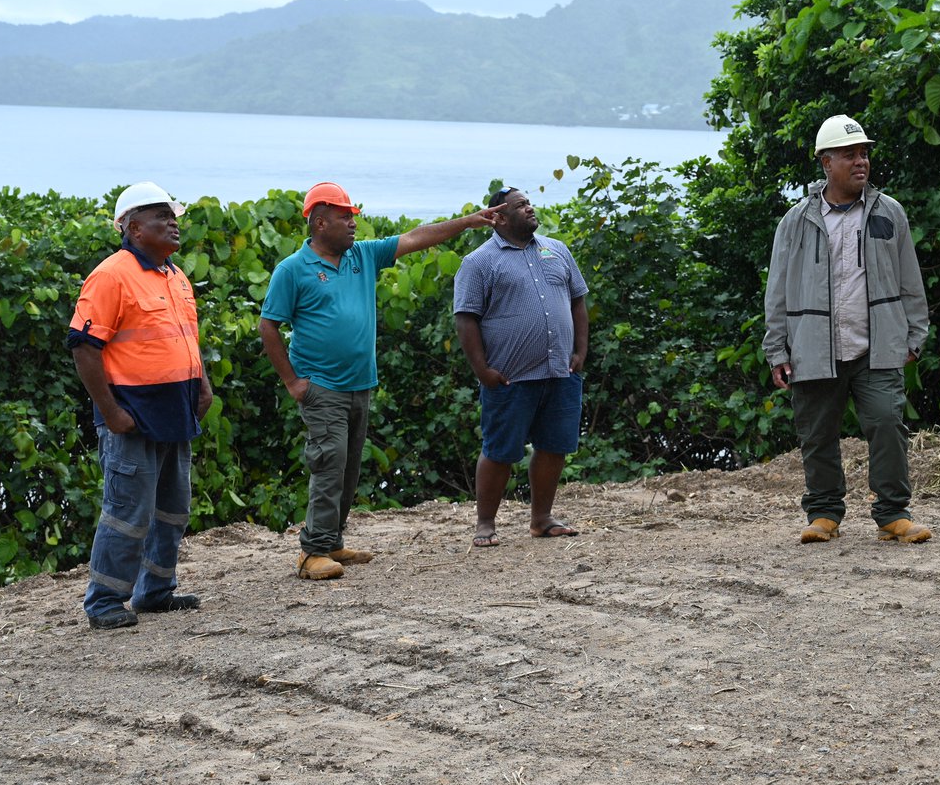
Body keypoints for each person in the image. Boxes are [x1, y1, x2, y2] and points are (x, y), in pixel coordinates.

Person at [260, 182, 503, 580]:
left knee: (348, 467)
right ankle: (312, 554)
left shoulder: (361, 256)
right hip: (321, 386)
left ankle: (331, 541)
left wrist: (469, 221)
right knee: (328, 464)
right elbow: (268, 326)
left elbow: (415, 237)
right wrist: (293, 382)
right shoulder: (293, 269)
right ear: (319, 222)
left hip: (359, 385)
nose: (353, 224)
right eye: (344, 217)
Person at [763, 115, 931, 545]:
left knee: (888, 423)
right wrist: (777, 349)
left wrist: (915, 334)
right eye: (850, 154)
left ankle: (893, 515)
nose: (861, 162)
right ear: (826, 162)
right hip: (814, 348)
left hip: (877, 347)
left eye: (864, 153)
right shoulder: (796, 221)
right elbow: (778, 289)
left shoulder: (889, 212)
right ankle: (823, 514)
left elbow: (910, 279)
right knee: (816, 434)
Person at [67, 181, 213, 630]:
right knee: (128, 512)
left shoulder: (175, 275)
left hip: (176, 409)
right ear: (132, 228)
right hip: (131, 414)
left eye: (173, 215)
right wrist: (111, 412)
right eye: (160, 216)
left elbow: (186, 339)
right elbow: (83, 347)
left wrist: (203, 385)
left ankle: (154, 592)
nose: (173, 223)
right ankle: (106, 602)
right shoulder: (111, 275)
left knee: (173, 508)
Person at [453, 187, 589, 549]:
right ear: (498, 216)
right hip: (509, 375)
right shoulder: (479, 262)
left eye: (529, 202)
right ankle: (485, 524)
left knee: (553, 447)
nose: (530, 208)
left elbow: (577, 300)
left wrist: (580, 351)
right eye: (520, 205)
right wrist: (482, 370)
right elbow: (466, 319)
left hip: (560, 370)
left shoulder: (557, 249)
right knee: (499, 450)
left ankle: (541, 519)